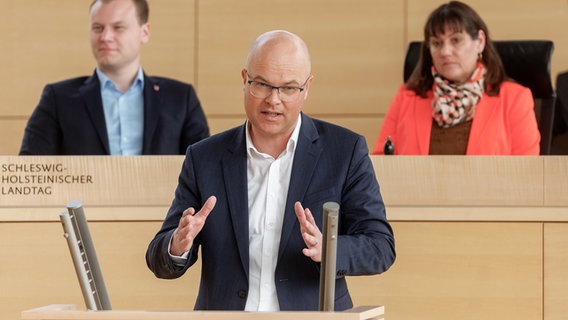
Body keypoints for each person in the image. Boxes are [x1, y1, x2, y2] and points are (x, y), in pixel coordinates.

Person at [146, 30, 395, 311]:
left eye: (288, 88)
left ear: (307, 87)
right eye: (262, 84)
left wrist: (329, 249)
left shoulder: (345, 150)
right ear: (245, 80)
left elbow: (380, 247)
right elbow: (159, 258)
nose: (273, 100)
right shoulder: (204, 157)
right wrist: (177, 245)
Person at [19, 0, 209, 155]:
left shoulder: (181, 98)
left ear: (144, 32)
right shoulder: (57, 99)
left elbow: (204, 168)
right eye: (98, 28)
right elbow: (32, 172)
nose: (106, 37)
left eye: (118, 27)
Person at [372, 1, 540, 155]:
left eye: (456, 40)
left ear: (479, 41)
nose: (445, 52)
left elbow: (526, 174)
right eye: (437, 43)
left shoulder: (515, 99)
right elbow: (380, 165)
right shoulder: (407, 97)